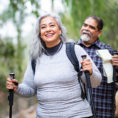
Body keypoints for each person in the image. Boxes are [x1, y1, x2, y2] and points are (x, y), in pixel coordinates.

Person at [6, 14, 102, 118]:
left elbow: (95, 82)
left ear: (60, 30)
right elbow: (29, 89)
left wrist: (90, 72)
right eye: (43, 27)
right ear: (40, 33)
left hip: (77, 115)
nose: (48, 29)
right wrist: (16, 88)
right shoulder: (35, 57)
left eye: (52, 25)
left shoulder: (74, 50)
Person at [77, 15, 118, 118]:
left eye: (91, 27)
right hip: (76, 111)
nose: (86, 28)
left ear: (99, 33)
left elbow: (114, 79)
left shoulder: (109, 52)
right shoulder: (71, 50)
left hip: (102, 110)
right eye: (85, 25)